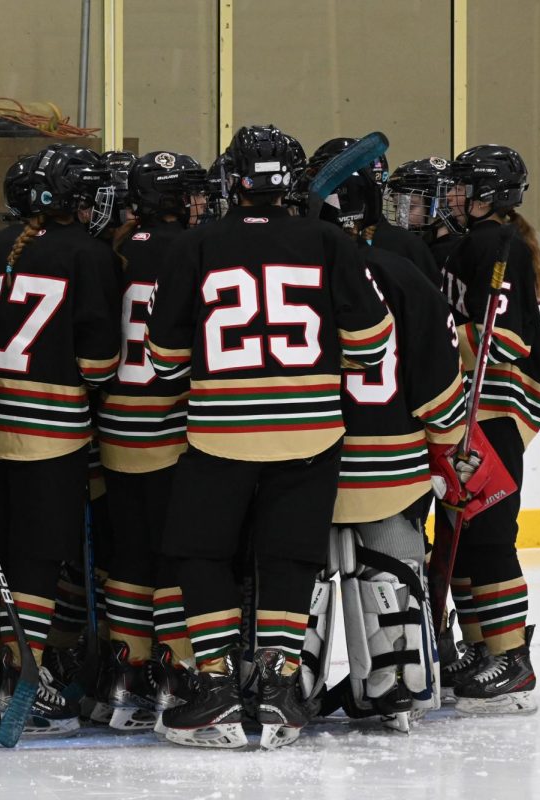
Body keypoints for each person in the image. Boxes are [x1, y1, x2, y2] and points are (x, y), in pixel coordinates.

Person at [147, 125, 394, 749]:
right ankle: (283, 689)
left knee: (199, 553)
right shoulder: (327, 241)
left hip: (220, 429)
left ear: (234, 181)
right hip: (311, 430)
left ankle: (220, 687)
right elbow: (373, 344)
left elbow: (165, 356)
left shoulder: (195, 245)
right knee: (288, 556)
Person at [303, 142, 468, 731]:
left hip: (309, 465)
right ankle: (397, 682)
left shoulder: (294, 278)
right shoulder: (403, 273)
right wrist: (447, 445)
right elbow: (440, 382)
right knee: (393, 568)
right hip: (390, 469)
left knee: (299, 571)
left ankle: (291, 683)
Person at [0, 144, 121, 736]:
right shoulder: (91, 256)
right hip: (51, 436)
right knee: (36, 563)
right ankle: (22, 682)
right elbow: (97, 362)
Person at [96, 150, 207, 730]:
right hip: (171, 431)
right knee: (175, 559)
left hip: (114, 432)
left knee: (128, 557)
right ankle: (174, 673)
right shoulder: (192, 251)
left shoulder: (110, 252)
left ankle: (126, 675)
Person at [439, 144, 540, 714]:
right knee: (464, 540)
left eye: (460, 187)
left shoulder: (495, 244)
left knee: (488, 537)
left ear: (487, 195)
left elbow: (501, 341)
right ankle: (485, 648)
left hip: (494, 413)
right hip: (472, 414)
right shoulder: (479, 243)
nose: (451, 196)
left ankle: (512, 659)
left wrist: (450, 333)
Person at [381, 156, 462, 287]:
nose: (399, 216)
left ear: (440, 203)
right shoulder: (410, 247)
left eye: (410, 206)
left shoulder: (454, 253)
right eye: (397, 207)